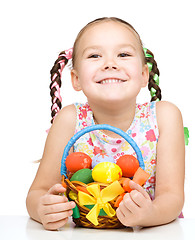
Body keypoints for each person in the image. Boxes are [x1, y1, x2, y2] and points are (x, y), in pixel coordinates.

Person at [26, 17, 185, 230]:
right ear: (76, 79)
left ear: (144, 74)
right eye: (94, 55)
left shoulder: (165, 117)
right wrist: (43, 209)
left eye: (124, 54)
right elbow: (38, 192)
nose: (110, 63)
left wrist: (150, 214)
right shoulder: (69, 119)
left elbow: (172, 197)